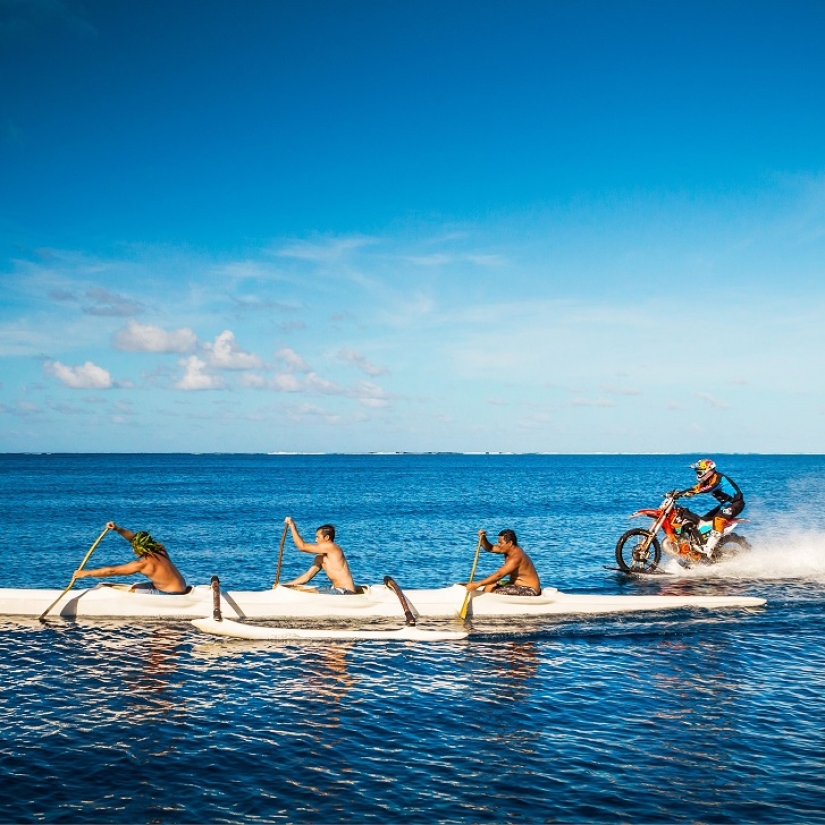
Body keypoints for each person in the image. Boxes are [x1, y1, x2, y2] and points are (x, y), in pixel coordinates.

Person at [74, 522, 189, 594]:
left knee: (133, 591)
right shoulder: (160, 548)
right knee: (136, 586)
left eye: (134, 548)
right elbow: (133, 538)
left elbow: (112, 571)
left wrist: (85, 573)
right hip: (182, 587)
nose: (133, 550)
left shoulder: (143, 564)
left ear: (139, 548)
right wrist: (117, 529)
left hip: (171, 594)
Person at [678, 459, 745, 557]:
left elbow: (707, 488)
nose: (697, 474)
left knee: (718, 519)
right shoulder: (707, 480)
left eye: (699, 472)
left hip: (736, 503)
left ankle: (708, 548)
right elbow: (696, 488)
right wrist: (679, 493)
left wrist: (691, 493)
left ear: (708, 471)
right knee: (702, 522)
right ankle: (700, 546)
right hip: (725, 504)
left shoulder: (717, 478)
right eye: (697, 472)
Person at [279, 517, 357, 594]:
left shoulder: (332, 547)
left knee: (306, 594)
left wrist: (292, 525)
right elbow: (307, 577)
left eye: (318, 537)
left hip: (346, 591)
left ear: (327, 537)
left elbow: (302, 547)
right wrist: (284, 586)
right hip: (334, 588)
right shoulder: (320, 558)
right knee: (301, 592)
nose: (315, 540)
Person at [464, 529, 542, 596]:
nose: (498, 545)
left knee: (492, 590)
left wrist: (478, 584)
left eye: (500, 543)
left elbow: (499, 575)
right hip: (516, 584)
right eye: (498, 542)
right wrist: (483, 537)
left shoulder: (516, 557)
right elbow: (490, 548)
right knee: (489, 586)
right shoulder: (508, 549)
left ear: (510, 543)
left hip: (529, 589)